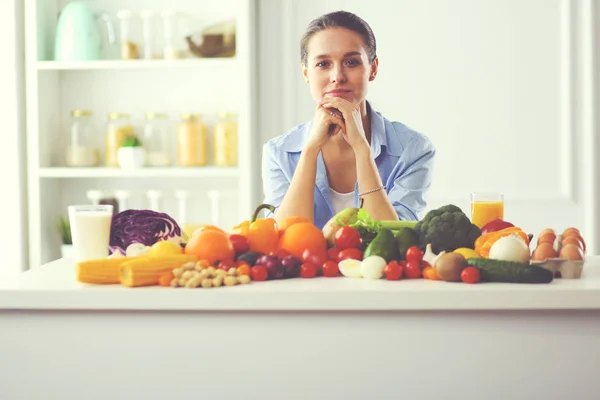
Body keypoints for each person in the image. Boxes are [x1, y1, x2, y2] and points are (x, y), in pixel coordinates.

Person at [261, 10, 435, 230]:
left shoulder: (414, 150)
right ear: (306, 74)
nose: (337, 76)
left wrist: (362, 150)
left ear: (373, 68)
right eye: (323, 64)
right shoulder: (279, 153)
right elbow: (285, 239)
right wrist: (310, 150)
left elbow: (393, 243)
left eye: (351, 62)